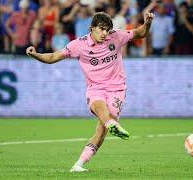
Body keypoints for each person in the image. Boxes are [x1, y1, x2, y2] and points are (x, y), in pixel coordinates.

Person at [26, 11, 154, 172]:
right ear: (91, 28)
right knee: (101, 108)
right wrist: (35, 54)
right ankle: (111, 123)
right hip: (95, 88)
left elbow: (140, 33)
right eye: (101, 29)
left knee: (101, 132)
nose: (105, 33)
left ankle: (78, 165)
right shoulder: (78, 45)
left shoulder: (116, 36)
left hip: (117, 89)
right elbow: (53, 57)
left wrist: (148, 22)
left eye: (107, 30)